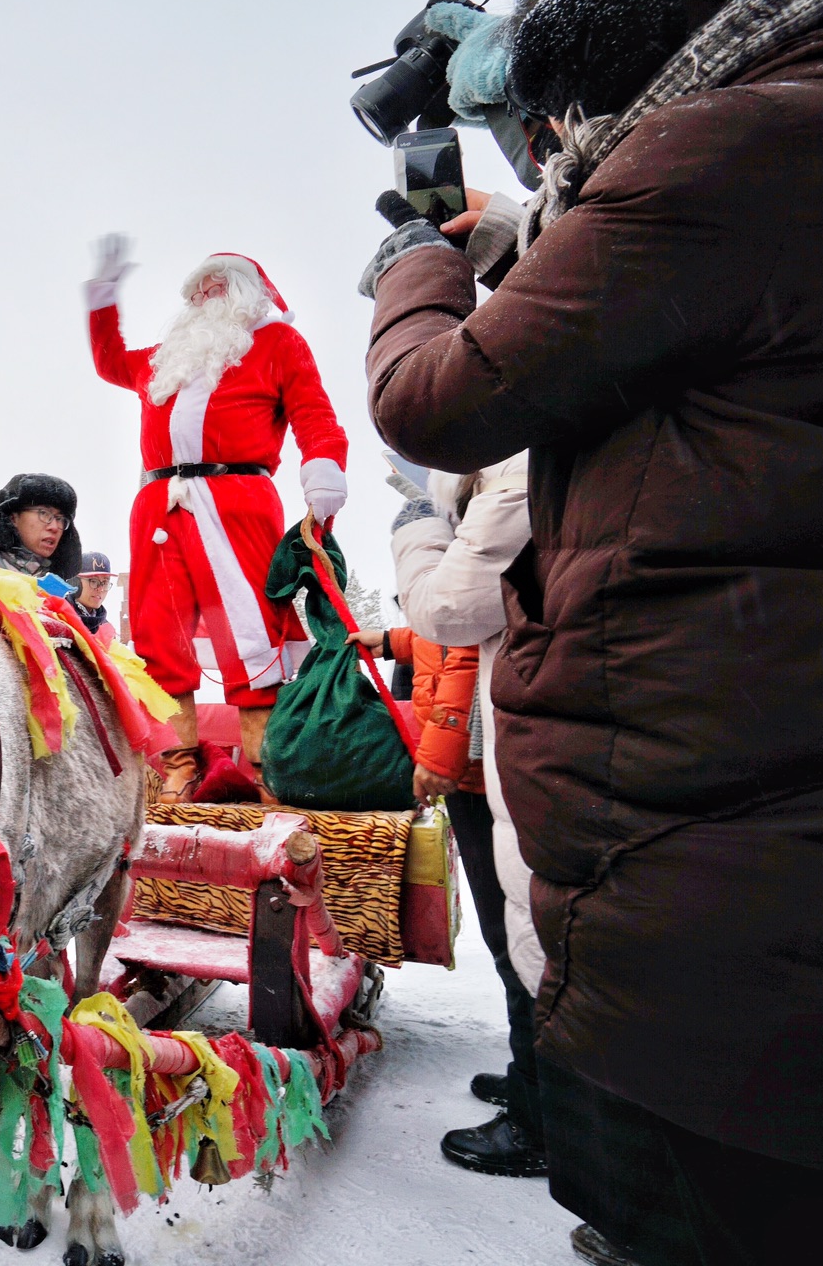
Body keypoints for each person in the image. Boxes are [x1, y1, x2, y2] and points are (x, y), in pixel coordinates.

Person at [365, 0, 823, 1258]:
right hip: (788, 882)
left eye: (545, 135)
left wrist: (416, 270)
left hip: (727, 917)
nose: (548, 162)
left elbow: (437, 400)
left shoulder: (734, 148)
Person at [86, 241, 350, 801]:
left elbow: (313, 412)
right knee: (160, 633)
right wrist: (103, 299)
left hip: (236, 498)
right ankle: (178, 765)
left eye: (216, 286)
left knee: (251, 630)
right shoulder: (164, 359)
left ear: (248, 295)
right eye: (196, 291)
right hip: (159, 503)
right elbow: (111, 362)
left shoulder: (278, 343)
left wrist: (324, 468)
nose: (203, 297)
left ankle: (264, 767)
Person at [362, 459, 549, 1184]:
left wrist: (437, 753)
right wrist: (391, 644)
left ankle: (540, 1119)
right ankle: (531, 1075)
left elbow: (463, 639)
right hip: (483, 757)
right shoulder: (496, 507)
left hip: (479, 756)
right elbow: (447, 638)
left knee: (518, 935)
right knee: (519, 933)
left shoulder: (487, 505)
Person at [0, 472, 83, 582]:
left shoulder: (61, 584)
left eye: (60, 519)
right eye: (43, 513)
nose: (54, 527)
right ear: (13, 518)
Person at [68, 550, 116, 639]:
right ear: (75, 582)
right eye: (93, 581)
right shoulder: (60, 617)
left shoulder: (107, 630)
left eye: (105, 582)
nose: (100, 589)